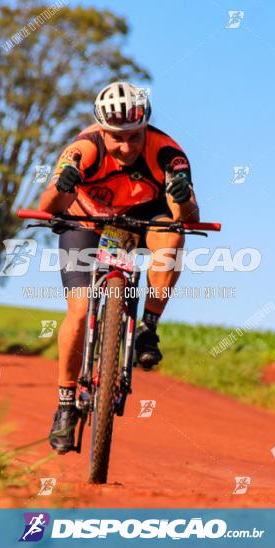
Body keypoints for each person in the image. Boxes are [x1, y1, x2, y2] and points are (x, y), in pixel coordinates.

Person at [36, 81, 200, 453]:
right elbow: (49, 205)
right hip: (88, 223)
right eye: (116, 138)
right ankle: (64, 405)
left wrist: (180, 198)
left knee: (172, 238)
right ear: (102, 131)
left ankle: (148, 328)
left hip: (142, 221)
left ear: (145, 127)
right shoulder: (83, 149)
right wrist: (64, 185)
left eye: (134, 136)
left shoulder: (168, 154)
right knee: (78, 313)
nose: (126, 147)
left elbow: (188, 218)